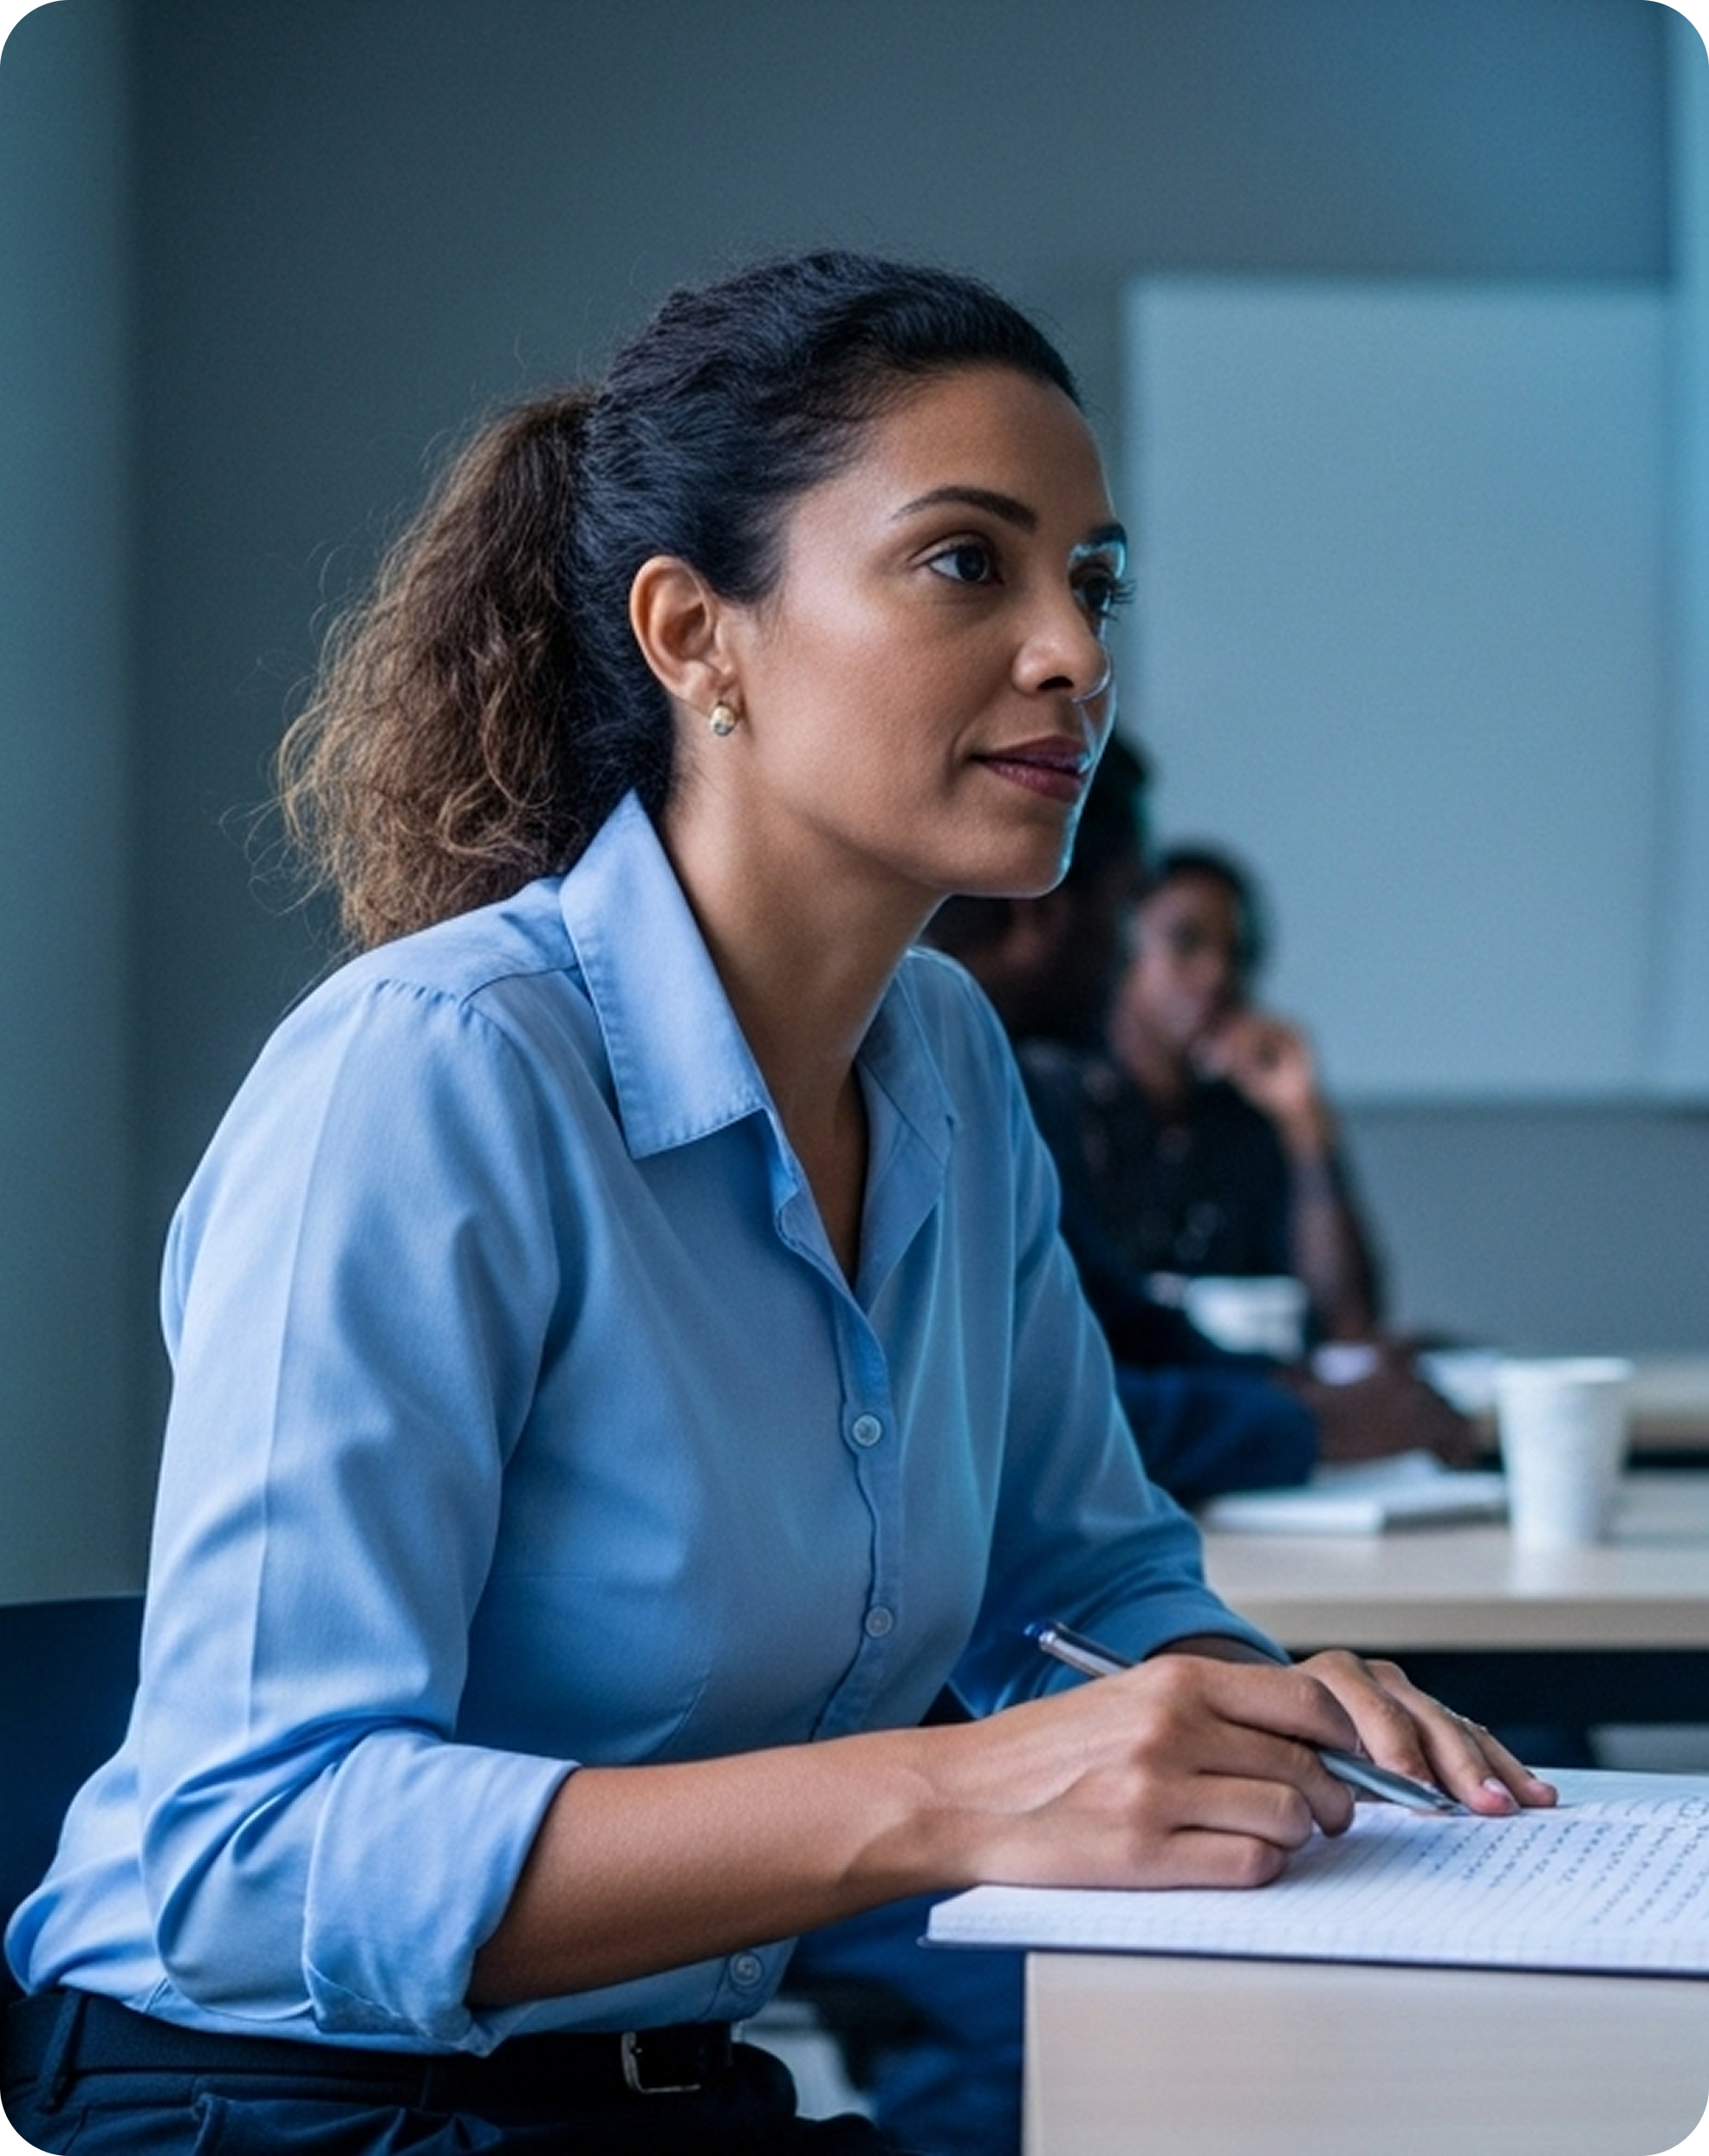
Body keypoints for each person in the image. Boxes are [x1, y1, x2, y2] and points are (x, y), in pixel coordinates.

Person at [3, 251, 1550, 2156]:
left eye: (1093, 583)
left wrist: (1247, 1705)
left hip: (669, 2093)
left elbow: (1082, 1583)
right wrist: (957, 1793)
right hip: (268, 2107)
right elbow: (251, 1852)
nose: (1074, 654)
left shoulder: (949, 1062)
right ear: (694, 636)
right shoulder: (430, 1073)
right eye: (965, 562)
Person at [927, 746, 1473, 1506]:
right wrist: (1316, 1424)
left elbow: (1114, 1321)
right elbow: (1031, 1411)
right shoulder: (929, 1087)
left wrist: (1292, 1385)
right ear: (1039, 912)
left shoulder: (984, 1075)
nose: (1127, 957)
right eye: (1127, 916)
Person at [1094, 842, 1381, 1343]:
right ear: (1121, 949)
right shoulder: (1069, 1107)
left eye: (1237, 954)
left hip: (1249, 1384)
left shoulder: (1246, 1125)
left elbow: (1347, 1324)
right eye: (1186, 943)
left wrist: (1305, 1123)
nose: (1217, 974)